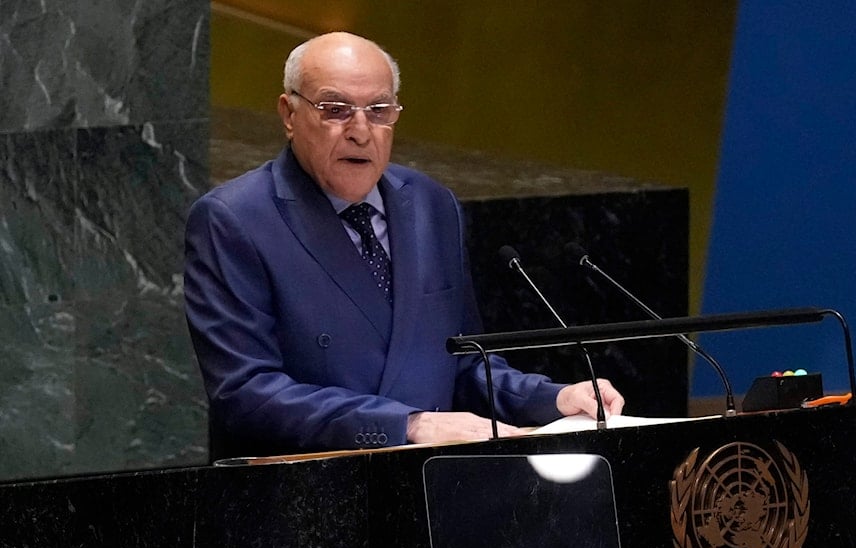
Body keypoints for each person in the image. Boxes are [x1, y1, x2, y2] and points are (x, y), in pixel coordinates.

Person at [184, 31, 624, 460]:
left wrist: (555, 399)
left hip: (430, 489)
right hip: (307, 497)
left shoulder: (432, 205)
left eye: (379, 110)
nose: (360, 131)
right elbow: (245, 393)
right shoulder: (235, 219)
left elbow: (463, 364)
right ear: (289, 114)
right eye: (335, 110)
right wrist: (406, 425)